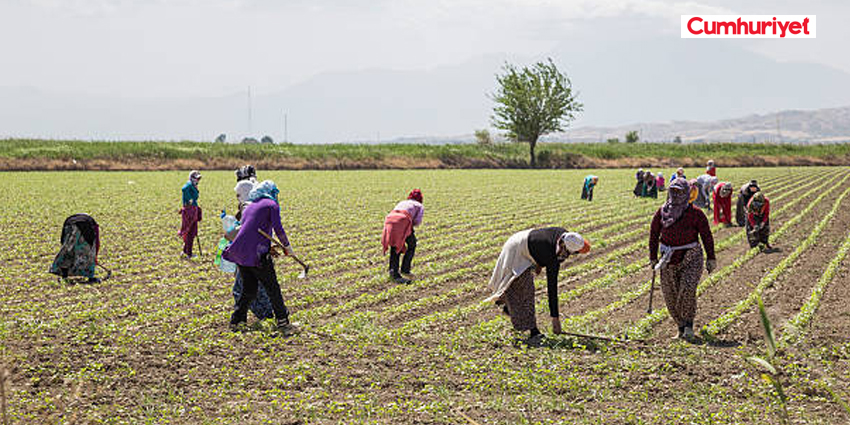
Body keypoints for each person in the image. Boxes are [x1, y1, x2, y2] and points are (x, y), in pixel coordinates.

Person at [486, 228, 591, 346]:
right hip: (516, 249)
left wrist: (539, 262)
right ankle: (533, 332)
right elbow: (552, 287)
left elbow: (542, 246)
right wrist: (555, 319)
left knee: (521, 286)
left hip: (526, 243)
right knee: (525, 289)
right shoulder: (551, 256)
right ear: (564, 247)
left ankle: (511, 309)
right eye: (573, 253)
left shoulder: (565, 236)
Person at [222, 181, 297, 337]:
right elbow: (278, 228)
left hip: (241, 252)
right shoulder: (271, 205)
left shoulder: (251, 205)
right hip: (256, 255)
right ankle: (283, 321)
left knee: (249, 289)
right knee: (272, 287)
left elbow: (249, 232)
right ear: (272, 192)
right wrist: (287, 247)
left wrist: (269, 247)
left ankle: (237, 321)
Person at [649, 178, 716, 341]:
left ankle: (688, 326)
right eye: (674, 191)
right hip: (668, 258)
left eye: (680, 191)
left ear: (686, 193)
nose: (676, 194)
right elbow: (654, 234)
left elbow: (706, 236)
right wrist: (652, 257)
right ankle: (680, 327)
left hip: (691, 256)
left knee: (687, 288)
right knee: (670, 294)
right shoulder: (662, 212)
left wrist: (711, 257)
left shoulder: (696, 214)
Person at [227, 179, 274, 321]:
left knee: (246, 289)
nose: (237, 197)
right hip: (252, 253)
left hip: (250, 255)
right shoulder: (255, 206)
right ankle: (262, 315)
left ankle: (264, 315)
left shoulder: (248, 207)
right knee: (254, 288)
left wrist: (230, 233)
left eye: (238, 195)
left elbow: (245, 231)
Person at [382, 189, 424, 284]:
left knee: (395, 245)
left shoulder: (403, 202)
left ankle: (393, 271)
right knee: (412, 244)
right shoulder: (419, 206)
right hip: (402, 220)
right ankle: (404, 270)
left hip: (389, 219)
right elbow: (417, 221)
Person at [49, 214, 101, 283]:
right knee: (88, 253)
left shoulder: (70, 220)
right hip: (86, 228)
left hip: (70, 225)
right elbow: (96, 242)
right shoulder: (94, 226)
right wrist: (95, 256)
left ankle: (64, 275)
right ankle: (90, 277)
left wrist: (65, 246)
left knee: (67, 253)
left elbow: (63, 238)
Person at [179, 170, 202, 258]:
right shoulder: (189, 185)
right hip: (190, 211)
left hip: (193, 210)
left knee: (191, 232)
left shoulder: (193, 185)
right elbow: (184, 189)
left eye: (198, 179)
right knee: (190, 232)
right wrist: (190, 200)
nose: (197, 180)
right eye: (196, 178)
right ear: (192, 178)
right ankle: (188, 253)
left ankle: (186, 251)